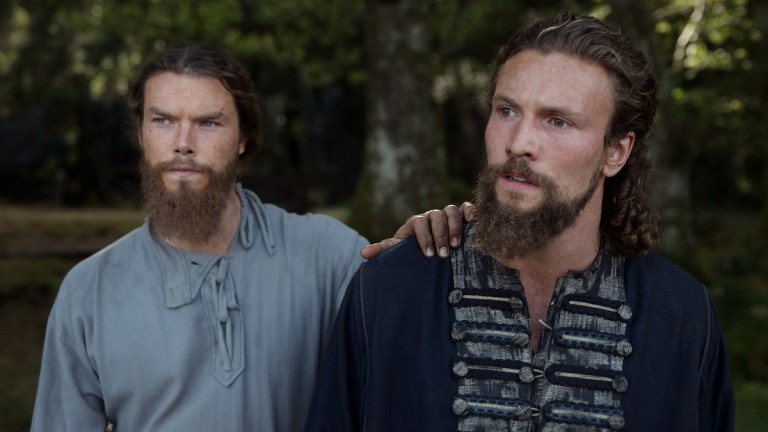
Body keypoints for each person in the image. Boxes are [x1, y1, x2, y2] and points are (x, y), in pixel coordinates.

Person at [304, 12, 735, 432]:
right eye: (507, 111)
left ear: (615, 152)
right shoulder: (388, 291)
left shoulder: (682, 315)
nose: (519, 142)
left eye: (558, 121)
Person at [30, 43, 469, 432]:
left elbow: (411, 346)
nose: (183, 143)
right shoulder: (88, 291)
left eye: (208, 123)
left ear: (244, 136)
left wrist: (427, 249)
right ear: (141, 133)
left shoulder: (328, 254)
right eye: (162, 120)